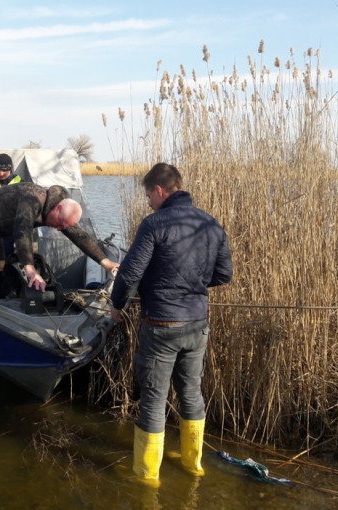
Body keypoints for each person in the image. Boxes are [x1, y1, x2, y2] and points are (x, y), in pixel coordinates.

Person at [110, 163, 232, 485]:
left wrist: (117, 305)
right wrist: (193, 282)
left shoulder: (154, 224)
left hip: (161, 325)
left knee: (152, 397)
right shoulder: (210, 224)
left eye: (148, 194)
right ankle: (194, 465)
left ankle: (147, 475)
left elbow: (130, 274)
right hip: (197, 325)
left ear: (159, 190)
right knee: (191, 391)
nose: (148, 201)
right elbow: (224, 275)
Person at [0, 181, 119, 291]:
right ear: (59, 208)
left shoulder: (60, 214)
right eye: (61, 225)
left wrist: (106, 263)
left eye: (63, 227)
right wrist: (29, 269)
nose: (60, 229)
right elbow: (22, 230)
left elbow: (80, 237)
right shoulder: (33, 197)